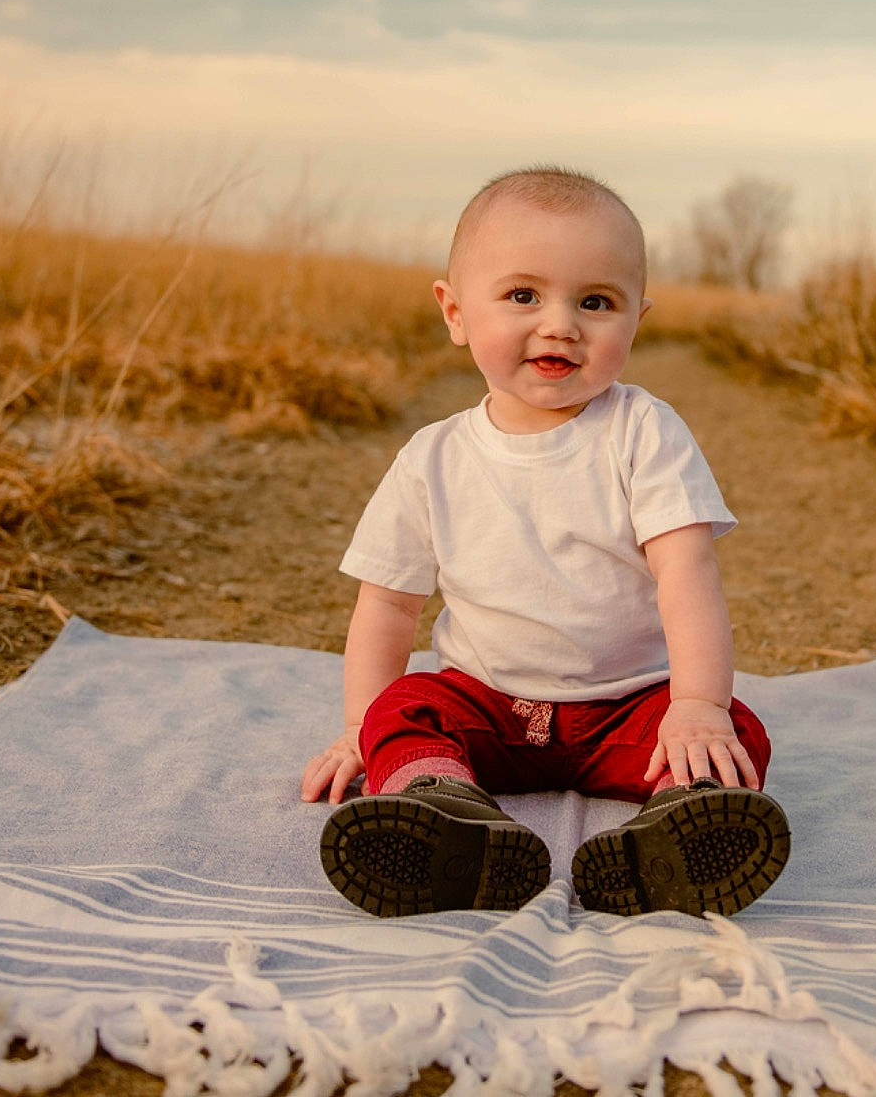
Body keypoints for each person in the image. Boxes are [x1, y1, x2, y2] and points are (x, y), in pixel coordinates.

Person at [299, 166, 789, 918]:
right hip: (484, 704)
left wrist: (695, 702)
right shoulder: (431, 459)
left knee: (733, 726)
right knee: (402, 706)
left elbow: (686, 573)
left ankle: (679, 829)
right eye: (524, 295)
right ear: (455, 311)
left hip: (627, 707)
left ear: (637, 319)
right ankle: (440, 811)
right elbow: (389, 606)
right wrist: (359, 730)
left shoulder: (643, 430)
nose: (560, 323)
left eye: (596, 301)